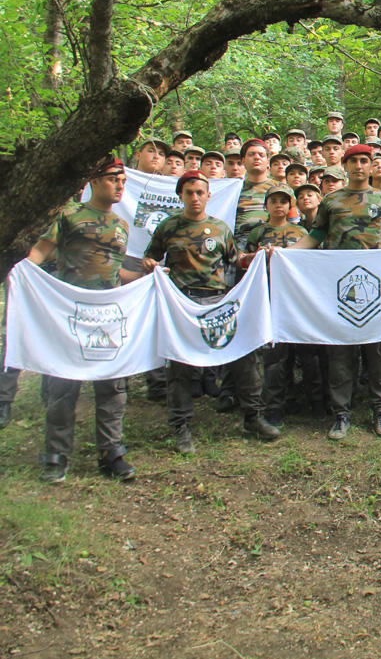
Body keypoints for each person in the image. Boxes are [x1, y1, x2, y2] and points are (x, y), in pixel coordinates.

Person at [292, 145, 381, 439]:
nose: (359, 165)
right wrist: (285, 254)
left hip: (375, 287)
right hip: (340, 286)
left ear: (371, 165)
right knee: (340, 352)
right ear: (345, 165)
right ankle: (341, 414)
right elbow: (315, 237)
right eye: (353, 161)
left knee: (379, 350)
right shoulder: (331, 201)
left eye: (364, 161)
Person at [142, 171, 280, 453]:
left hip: (219, 302)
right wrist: (148, 265)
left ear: (208, 195)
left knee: (245, 357)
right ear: (181, 195)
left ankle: (252, 417)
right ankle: (181, 427)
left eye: (200, 192)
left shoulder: (220, 228)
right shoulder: (168, 227)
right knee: (180, 365)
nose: (195, 197)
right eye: (189, 192)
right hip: (183, 305)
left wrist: (253, 258)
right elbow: (151, 256)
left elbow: (236, 259)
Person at [27, 158, 140, 483]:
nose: (120, 185)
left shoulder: (121, 225)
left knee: (113, 387)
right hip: (71, 313)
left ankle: (111, 453)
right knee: (64, 385)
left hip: (107, 316)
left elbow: (114, 269)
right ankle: (56, 456)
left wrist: (145, 276)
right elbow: (41, 251)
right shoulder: (69, 216)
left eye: (123, 180)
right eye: (113, 178)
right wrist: (23, 276)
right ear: (93, 179)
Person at [245, 186, 314, 424]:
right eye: (273, 201)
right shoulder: (258, 233)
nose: (278, 206)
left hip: (297, 300)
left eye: (283, 201)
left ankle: (310, 401)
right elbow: (243, 260)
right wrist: (257, 256)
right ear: (266, 205)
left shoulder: (301, 231)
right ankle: (274, 406)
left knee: (306, 353)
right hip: (270, 297)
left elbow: (313, 260)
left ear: (290, 206)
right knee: (275, 357)